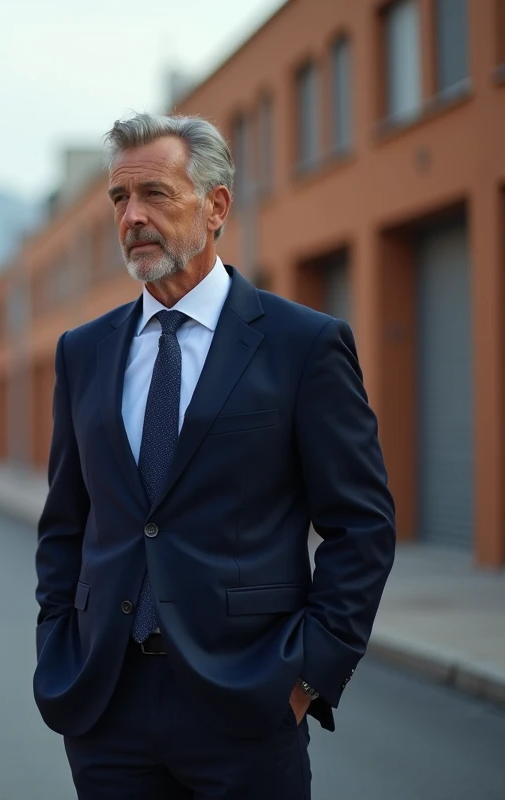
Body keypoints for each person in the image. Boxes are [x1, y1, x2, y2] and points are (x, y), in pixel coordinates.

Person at [32, 112, 396, 799]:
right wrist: (59, 643)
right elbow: (66, 522)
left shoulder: (301, 345)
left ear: (217, 206)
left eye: (155, 195)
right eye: (119, 199)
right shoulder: (83, 352)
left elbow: (362, 525)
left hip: (248, 704)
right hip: (106, 706)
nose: (132, 216)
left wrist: (308, 677)